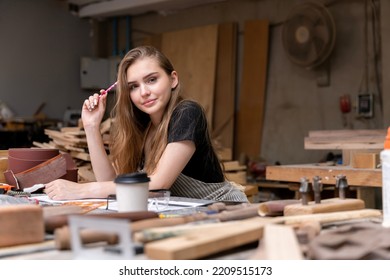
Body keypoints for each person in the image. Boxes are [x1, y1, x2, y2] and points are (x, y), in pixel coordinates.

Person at [45, 45, 248, 203]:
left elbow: (159, 184)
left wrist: (82, 190)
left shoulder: (187, 113)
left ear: (173, 79)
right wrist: (91, 126)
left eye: (151, 80)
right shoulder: (143, 126)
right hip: (190, 215)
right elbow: (108, 180)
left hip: (225, 212)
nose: (143, 92)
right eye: (134, 86)